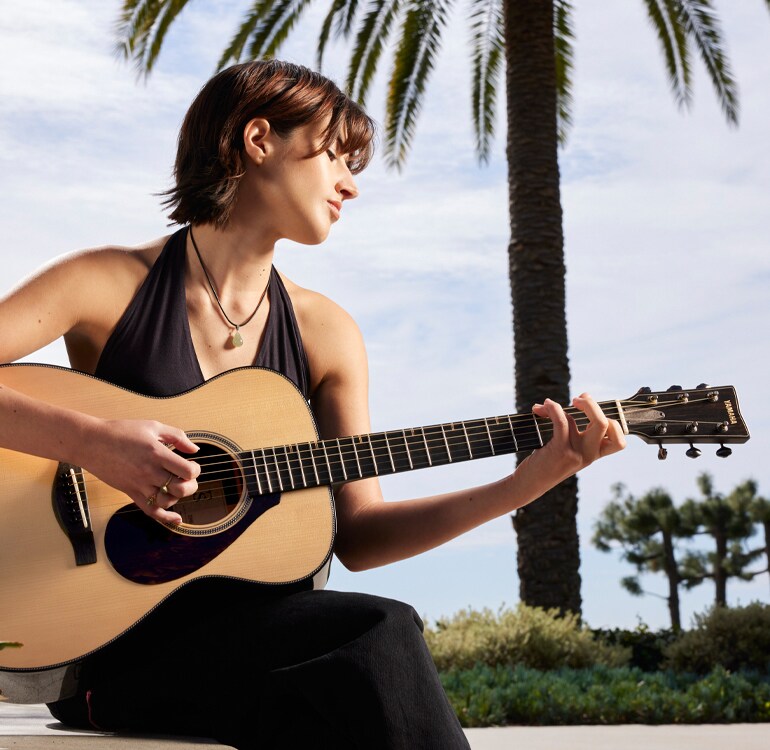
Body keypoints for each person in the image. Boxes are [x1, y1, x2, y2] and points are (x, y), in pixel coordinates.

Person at [0, 60, 626, 748]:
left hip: (267, 644)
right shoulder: (104, 284)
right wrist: (93, 443)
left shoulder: (327, 333)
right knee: (376, 637)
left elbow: (359, 537)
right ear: (258, 139)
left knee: (345, 694)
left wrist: (526, 483)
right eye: (334, 155)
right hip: (114, 650)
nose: (350, 186)